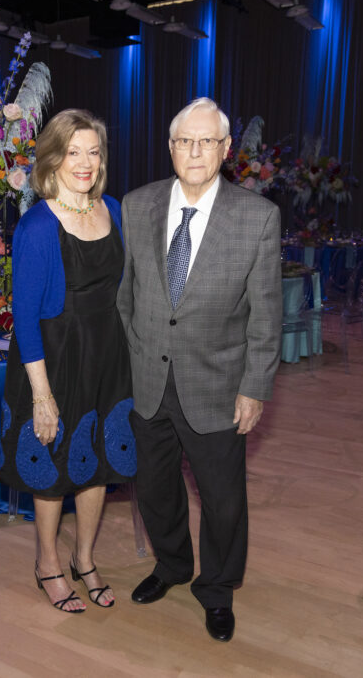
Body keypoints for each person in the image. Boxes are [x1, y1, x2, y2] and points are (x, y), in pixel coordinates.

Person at [116, 98, 281, 641]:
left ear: (225, 150)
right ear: (170, 146)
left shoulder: (257, 216)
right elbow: (127, 296)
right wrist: (135, 355)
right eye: (185, 140)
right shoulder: (136, 207)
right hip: (149, 382)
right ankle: (171, 566)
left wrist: (255, 388)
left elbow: (266, 314)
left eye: (207, 141)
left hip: (218, 385)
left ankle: (216, 589)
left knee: (223, 499)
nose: (195, 150)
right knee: (156, 489)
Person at [0, 109, 135, 613]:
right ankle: (47, 563)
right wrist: (42, 396)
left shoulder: (114, 209)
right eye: (72, 152)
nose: (84, 162)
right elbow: (26, 318)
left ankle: (85, 558)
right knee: (53, 468)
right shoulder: (37, 226)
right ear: (52, 159)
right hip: (53, 361)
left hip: (108, 357)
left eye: (93, 151)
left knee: (99, 463)